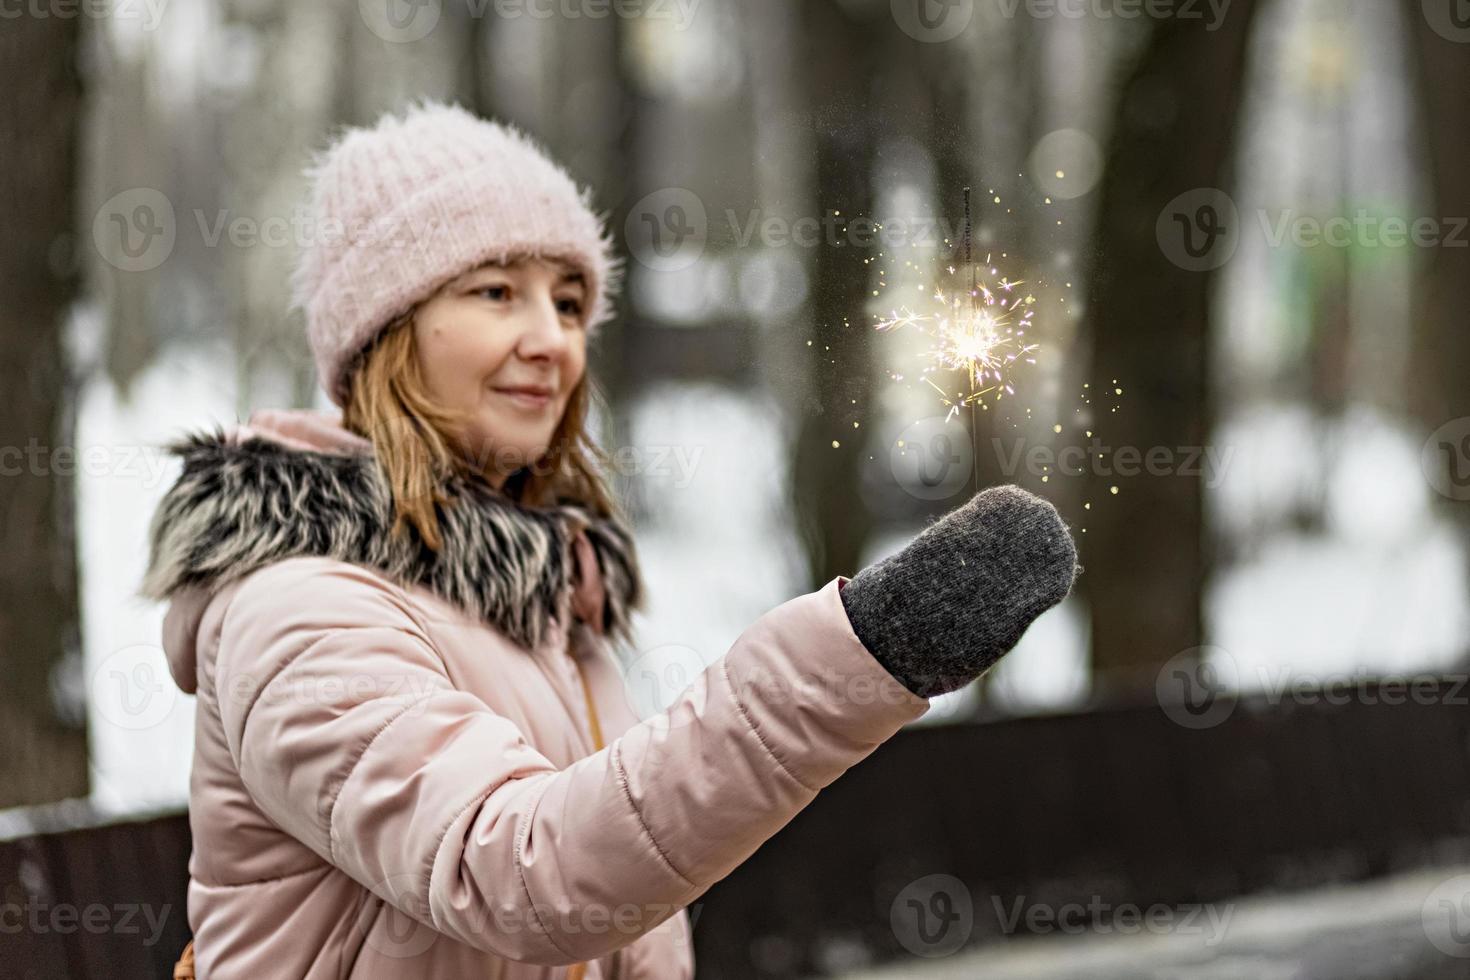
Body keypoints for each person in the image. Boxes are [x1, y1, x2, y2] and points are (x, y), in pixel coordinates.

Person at [139, 99, 1080, 979]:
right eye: (497, 291)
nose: (551, 338)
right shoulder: (300, 608)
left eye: (571, 303)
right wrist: (862, 650)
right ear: (386, 335)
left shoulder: (537, 596)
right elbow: (518, 872)